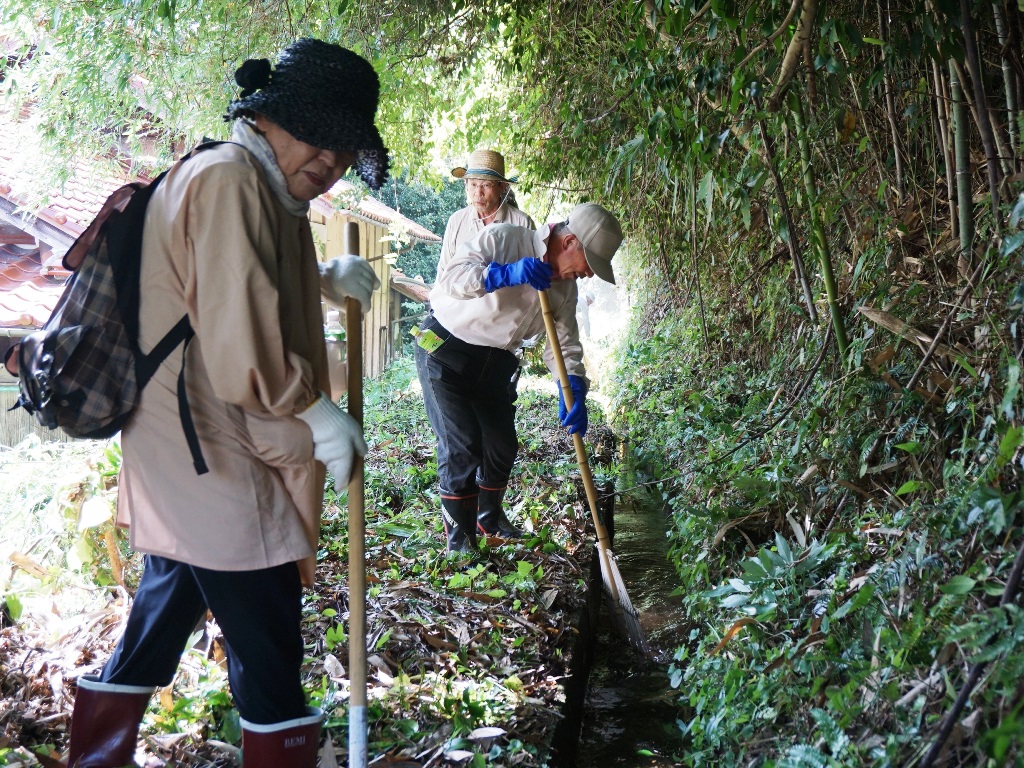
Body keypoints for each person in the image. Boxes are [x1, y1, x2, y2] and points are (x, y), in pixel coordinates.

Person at [63, 39, 389, 768]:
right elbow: (238, 333)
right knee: (267, 623)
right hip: (208, 439)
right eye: (323, 140)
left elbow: (236, 283)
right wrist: (310, 411)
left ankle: (96, 756)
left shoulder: (250, 177)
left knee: (170, 597)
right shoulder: (231, 180)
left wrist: (318, 278)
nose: (332, 165)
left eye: (344, 150)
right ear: (276, 119)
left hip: (194, 439)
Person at [415, 203, 623, 553]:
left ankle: (489, 518)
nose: (588, 275)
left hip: (495, 363)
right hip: (444, 349)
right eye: (589, 265)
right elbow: (452, 279)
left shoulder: (565, 290)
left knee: (501, 445)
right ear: (571, 242)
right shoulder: (506, 239)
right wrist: (504, 274)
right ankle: (460, 541)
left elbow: (565, 345)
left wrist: (572, 386)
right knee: (463, 444)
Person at [439, 148, 535, 274]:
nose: (478, 193)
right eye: (473, 184)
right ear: (466, 184)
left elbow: (532, 273)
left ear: (502, 187)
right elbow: (444, 273)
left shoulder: (522, 223)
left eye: (486, 185)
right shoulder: (456, 221)